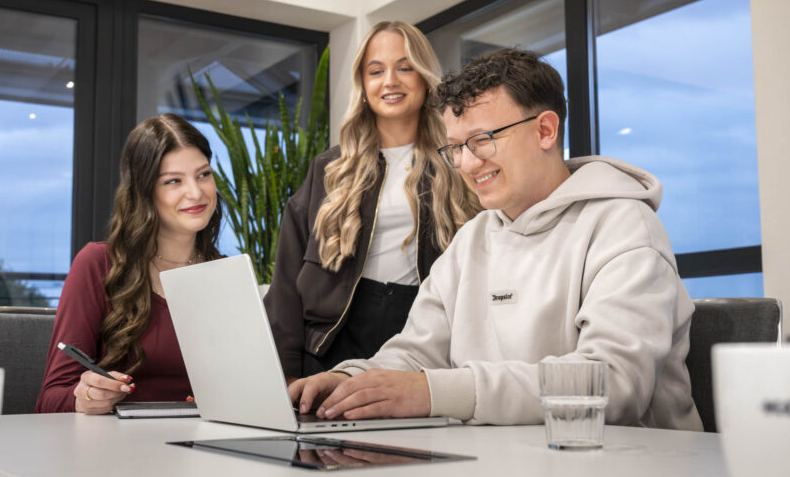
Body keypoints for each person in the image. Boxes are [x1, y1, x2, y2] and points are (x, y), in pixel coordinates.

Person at [289, 48, 703, 430]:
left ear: (545, 130)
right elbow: (416, 352)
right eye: (455, 147)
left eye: (482, 140)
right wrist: (348, 380)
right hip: (506, 470)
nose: (467, 164)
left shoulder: (624, 226)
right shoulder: (473, 240)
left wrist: (439, 392)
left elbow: (614, 384)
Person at [264, 21, 479, 377]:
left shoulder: (457, 161)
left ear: (425, 78)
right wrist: (284, 376)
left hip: (421, 337)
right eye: (375, 71)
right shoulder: (329, 168)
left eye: (405, 67)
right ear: (363, 85)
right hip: (331, 345)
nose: (390, 81)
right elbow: (286, 284)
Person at [36, 114, 222, 414]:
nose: (196, 192)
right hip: (119, 450)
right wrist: (85, 397)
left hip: (208, 446)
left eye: (203, 174)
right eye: (173, 181)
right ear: (144, 192)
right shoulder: (99, 264)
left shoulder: (227, 274)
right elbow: (49, 400)